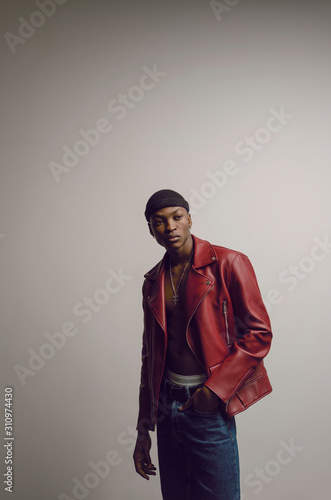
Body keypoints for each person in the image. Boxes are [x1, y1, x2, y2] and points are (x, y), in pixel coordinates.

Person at [133, 189, 273, 500]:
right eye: (159, 222)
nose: (170, 227)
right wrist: (144, 428)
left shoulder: (229, 263)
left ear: (189, 219)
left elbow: (258, 333)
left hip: (207, 405)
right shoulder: (153, 282)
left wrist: (214, 391)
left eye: (177, 217)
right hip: (167, 410)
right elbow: (150, 358)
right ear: (151, 229)